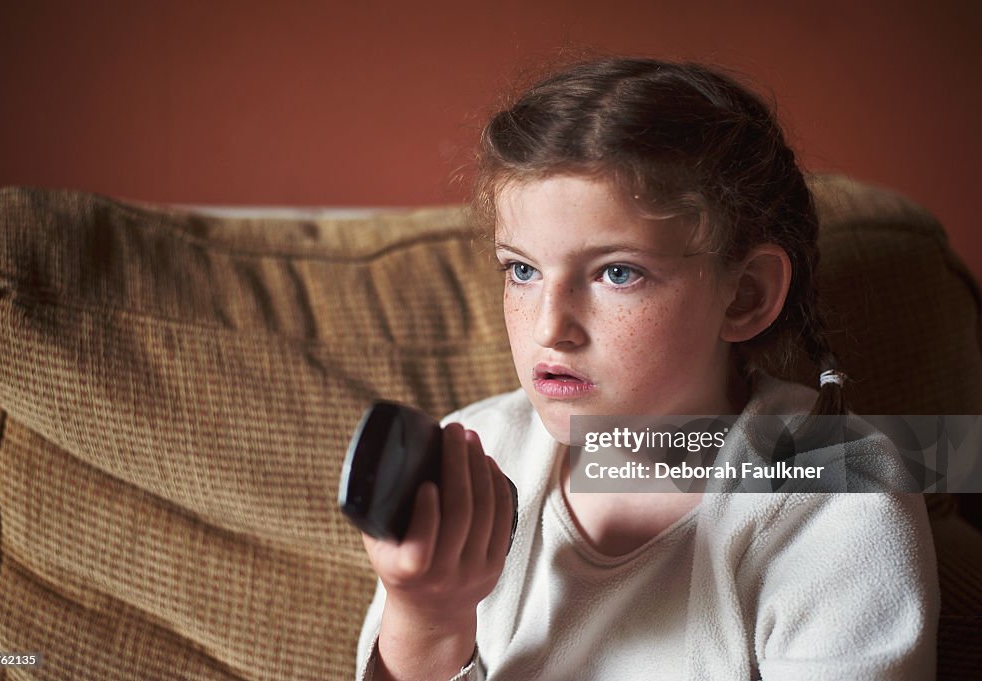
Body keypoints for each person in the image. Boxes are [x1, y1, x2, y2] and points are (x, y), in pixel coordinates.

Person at [354, 57, 939, 680]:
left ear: (743, 296)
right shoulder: (479, 451)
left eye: (617, 273)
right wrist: (428, 618)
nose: (549, 328)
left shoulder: (837, 493)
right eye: (521, 270)